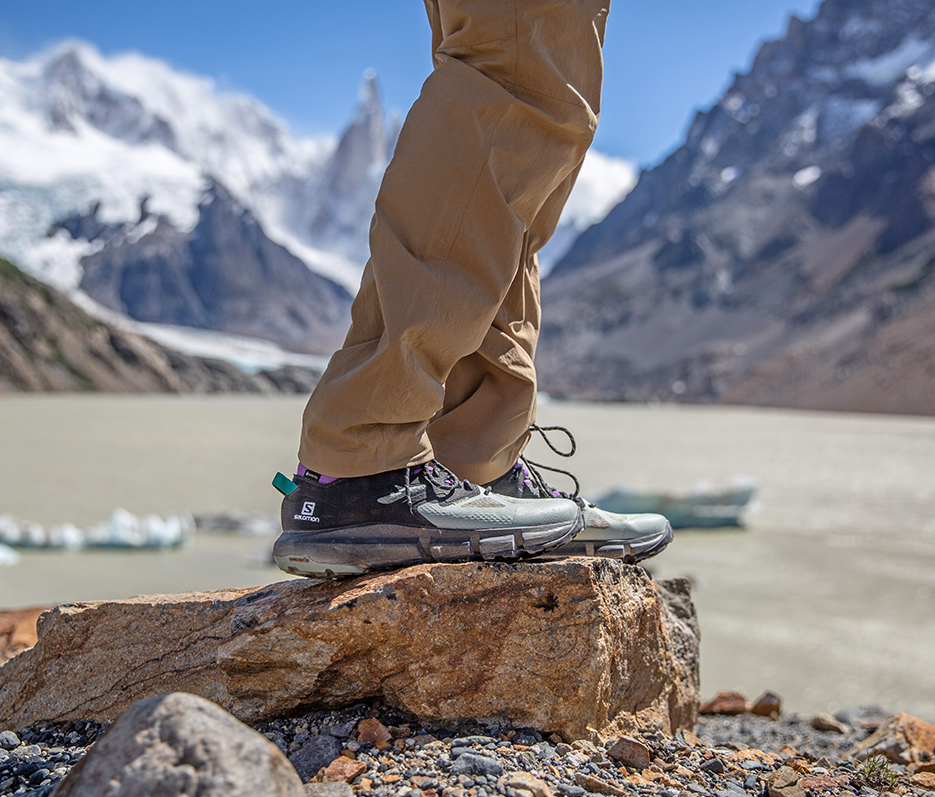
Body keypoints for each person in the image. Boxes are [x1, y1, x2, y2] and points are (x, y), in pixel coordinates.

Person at [271, 0, 672, 578]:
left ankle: (469, 459)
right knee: (519, 78)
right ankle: (364, 458)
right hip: (363, 468)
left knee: (531, 124)